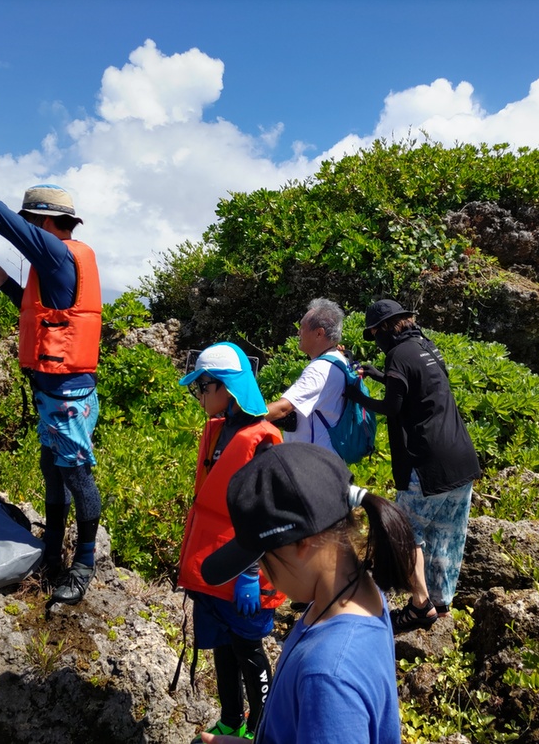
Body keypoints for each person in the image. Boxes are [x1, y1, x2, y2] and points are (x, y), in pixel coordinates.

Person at [199, 442, 416, 744]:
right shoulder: (360, 594)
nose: (262, 572)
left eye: (262, 558)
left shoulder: (328, 677)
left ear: (302, 544)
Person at [0, 184, 102, 605]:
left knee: (76, 474)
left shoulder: (58, 253)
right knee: (51, 468)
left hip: (67, 396)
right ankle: (54, 548)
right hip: (52, 391)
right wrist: (5, 283)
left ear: (41, 222)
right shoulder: (59, 265)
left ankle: (84, 564)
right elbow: (47, 315)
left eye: (29, 224)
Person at [346, 299, 481, 632]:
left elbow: (393, 407)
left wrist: (356, 394)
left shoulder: (397, 354)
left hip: (426, 460)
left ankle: (420, 607)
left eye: (375, 333)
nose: (375, 339)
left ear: (386, 328)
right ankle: (441, 602)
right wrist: (378, 375)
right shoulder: (426, 347)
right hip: (461, 457)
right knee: (448, 534)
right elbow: (416, 389)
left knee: (403, 534)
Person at [177, 342, 286, 742]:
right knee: (222, 648)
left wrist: (250, 572)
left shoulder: (262, 438)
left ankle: (261, 729)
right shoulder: (221, 429)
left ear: (225, 387)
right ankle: (230, 720)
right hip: (213, 570)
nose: (200, 396)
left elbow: (267, 511)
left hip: (242, 574)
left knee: (249, 652)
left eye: (203, 387)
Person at [264, 298, 346, 454]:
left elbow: (283, 409)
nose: (298, 332)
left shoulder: (319, 370)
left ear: (319, 333)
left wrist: (240, 419)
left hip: (312, 462)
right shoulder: (338, 359)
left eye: (302, 327)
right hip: (330, 457)